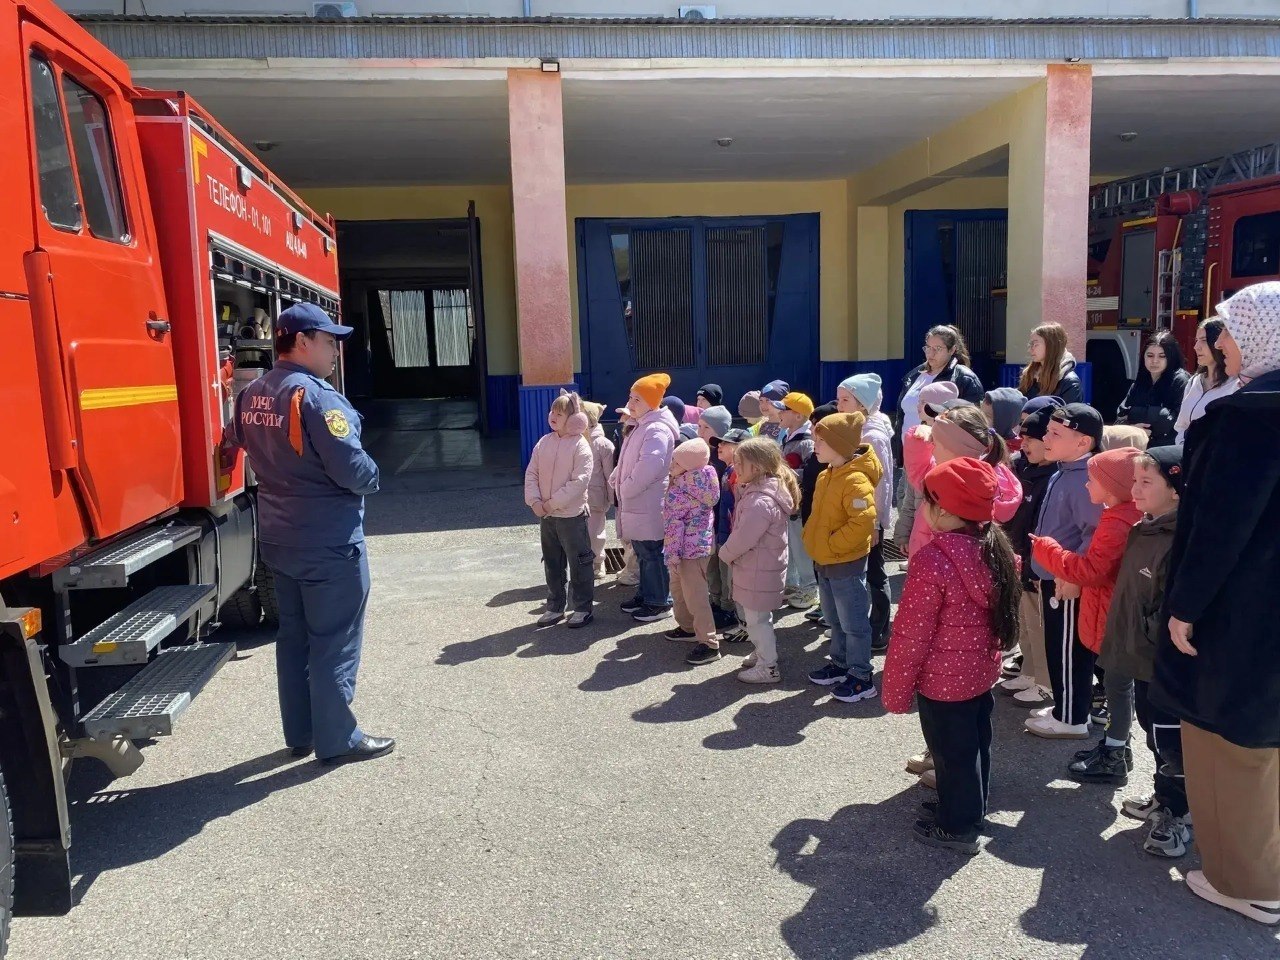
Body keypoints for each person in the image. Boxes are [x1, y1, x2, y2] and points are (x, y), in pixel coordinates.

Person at [1153, 282, 1280, 925]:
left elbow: (1220, 525)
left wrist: (1185, 604)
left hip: (1242, 607)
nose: (1217, 341)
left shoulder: (1252, 415)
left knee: (1235, 742)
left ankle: (1248, 882)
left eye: (1227, 328)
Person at [223, 302, 393, 765]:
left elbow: (236, 440)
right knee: (334, 640)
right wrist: (374, 474)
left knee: (294, 637)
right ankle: (338, 739)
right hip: (328, 541)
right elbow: (354, 471)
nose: (336, 351)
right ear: (301, 342)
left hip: (280, 539)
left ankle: (301, 733)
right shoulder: (317, 398)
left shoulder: (253, 393)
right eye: (329, 341)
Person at [882, 457, 1020, 857]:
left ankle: (957, 827)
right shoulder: (994, 547)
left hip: (942, 680)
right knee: (973, 744)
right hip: (978, 671)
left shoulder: (933, 561)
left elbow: (911, 634)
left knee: (949, 751)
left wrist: (895, 690)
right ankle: (968, 808)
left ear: (942, 510)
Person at [1096, 446, 1190, 859]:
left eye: (1146, 482)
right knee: (1152, 733)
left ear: (1176, 490)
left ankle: (1179, 814)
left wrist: (1147, 636)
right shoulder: (1145, 527)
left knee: (1171, 741)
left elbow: (1171, 606)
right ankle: (1162, 797)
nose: (1134, 490)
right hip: (1139, 655)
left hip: (1161, 663)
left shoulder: (1179, 540)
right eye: (1134, 480)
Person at [1030, 446, 1142, 739]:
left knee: (1111, 681)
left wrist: (1048, 549)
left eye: (1092, 480)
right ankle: (1094, 730)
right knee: (1113, 681)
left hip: (1107, 612)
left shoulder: (1117, 521)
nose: (1086, 485)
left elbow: (1092, 569)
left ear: (1112, 487)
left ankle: (1082, 725)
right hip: (1105, 609)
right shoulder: (1119, 515)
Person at [1026, 404, 1105, 739]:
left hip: (1068, 580)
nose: (1046, 437)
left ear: (1083, 442)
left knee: (1070, 651)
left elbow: (1093, 534)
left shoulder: (1086, 478)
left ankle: (1072, 717)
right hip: (1055, 575)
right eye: (1048, 431)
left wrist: (1073, 577)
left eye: (1056, 433)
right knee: (1058, 646)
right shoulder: (1065, 471)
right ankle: (1065, 706)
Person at [803, 412, 882, 704]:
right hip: (826, 559)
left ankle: (862, 676)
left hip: (844, 560)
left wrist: (833, 545)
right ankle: (840, 663)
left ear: (838, 445)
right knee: (834, 618)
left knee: (854, 622)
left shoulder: (855, 479)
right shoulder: (827, 474)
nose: (815, 445)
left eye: (821, 441)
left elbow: (863, 521)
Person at [719, 438, 799, 684]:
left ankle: (768, 665)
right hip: (759, 567)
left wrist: (725, 553)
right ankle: (762, 651)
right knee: (758, 618)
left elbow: (744, 538)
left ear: (756, 467)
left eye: (739, 463)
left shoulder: (760, 501)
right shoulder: (761, 491)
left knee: (757, 620)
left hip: (757, 568)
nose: (735, 468)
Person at [999, 398, 1061, 708]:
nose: (1023, 445)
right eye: (1021, 438)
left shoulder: (1053, 477)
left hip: (1039, 565)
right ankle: (1029, 671)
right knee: (1024, 621)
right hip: (1019, 558)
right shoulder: (1022, 468)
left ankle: (1045, 683)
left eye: (1030, 439)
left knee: (1040, 626)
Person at [902, 404, 1022, 559]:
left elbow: (917, 472)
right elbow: (918, 470)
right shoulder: (984, 477)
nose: (930, 447)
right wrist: (918, 438)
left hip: (937, 564)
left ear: (953, 448)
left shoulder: (950, 478)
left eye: (934, 443)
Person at [612, 373, 681, 623]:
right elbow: (627, 461)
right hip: (638, 502)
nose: (630, 403)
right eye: (630, 397)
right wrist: (617, 479)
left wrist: (625, 488)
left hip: (648, 502)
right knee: (642, 552)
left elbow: (648, 468)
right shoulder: (642, 424)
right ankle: (646, 594)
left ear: (652, 403)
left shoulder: (656, 429)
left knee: (652, 553)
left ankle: (659, 601)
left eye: (637, 399)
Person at [525, 390, 595, 627]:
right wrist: (534, 501)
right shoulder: (544, 442)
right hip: (547, 516)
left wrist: (551, 503)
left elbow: (579, 482)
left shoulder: (580, 446)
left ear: (575, 419)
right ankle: (555, 607)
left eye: (560, 413)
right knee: (552, 563)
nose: (553, 416)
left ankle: (582, 608)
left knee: (579, 563)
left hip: (571, 516)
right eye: (552, 412)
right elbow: (532, 473)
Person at [836, 374, 894, 651]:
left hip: (868, 517)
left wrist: (875, 522)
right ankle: (856, 625)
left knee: (874, 572)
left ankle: (880, 628)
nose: (839, 405)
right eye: (838, 399)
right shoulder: (853, 428)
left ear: (863, 404)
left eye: (845, 400)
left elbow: (881, 483)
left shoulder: (872, 436)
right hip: (852, 513)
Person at [662, 438, 721, 666]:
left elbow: (675, 526)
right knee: (682, 590)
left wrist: (672, 555)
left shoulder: (679, 490)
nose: (671, 465)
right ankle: (688, 627)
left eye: (676, 463)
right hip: (700, 546)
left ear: (688, 466)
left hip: (686, 551)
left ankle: (709, 643)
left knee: (695, 597)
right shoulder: (706, 479)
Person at [894, 324, 984, 463]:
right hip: (910, 457)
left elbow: (971, 421)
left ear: (952, 350)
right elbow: (902, 416)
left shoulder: (964, 378)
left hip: (939, 458)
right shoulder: (914, 375)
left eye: (938, 349)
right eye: (928, 347)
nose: (930, 354)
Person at [892, 380, 960, 555]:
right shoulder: (918, 438)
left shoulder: (948, 447)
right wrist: (904, 534)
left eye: (923, 402)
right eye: (919, 401)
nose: (918, 405)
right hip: (918, 532)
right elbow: (908, 499)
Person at [697, 405, 737, 632]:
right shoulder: (702, 455)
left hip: (724, 524)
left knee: (725, 568)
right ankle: (715, 600)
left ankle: (727, 607)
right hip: (709, 523)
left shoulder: (725, 462)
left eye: (706, 428)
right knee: (711, 566)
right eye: (699, 426)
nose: (700, 432)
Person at [777, 392, 818, 610]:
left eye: (784, 410)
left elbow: (811, 473)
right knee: (790, 544)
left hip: (800, 504)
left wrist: (786, 474)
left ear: (799, 416)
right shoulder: (787, 436)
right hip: (789, 502)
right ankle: (792, 583)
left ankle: (810, 587)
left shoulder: (807, 442)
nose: (779, 413)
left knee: (801, 547)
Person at [1116, 330, 1190, 448]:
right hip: (1140, 447)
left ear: (1171, 357)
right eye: (1150, 355)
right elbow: (1120, 417)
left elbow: (1180, 421)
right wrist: (1132, 429)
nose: (1155, 361)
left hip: (1169, 449)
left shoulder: (1181, 381)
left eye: (1162, 356)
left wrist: (1142, 414)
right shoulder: (1140, 382)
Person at [714, 428, 752, 643]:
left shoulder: (738, 473)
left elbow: (737, 509)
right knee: (729, 580)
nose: (720, 446)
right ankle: (739, 620)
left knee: (736, 582)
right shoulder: (729, 470)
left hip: (732, 536)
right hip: (725, 534)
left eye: (725, 443)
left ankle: (745, 625)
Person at [1174, 317, 1239, 444]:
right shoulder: (1194, 381)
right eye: (1196, 340)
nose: (1196, 347)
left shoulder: (1235, 385)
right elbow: (1181, 426)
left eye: (1203, 340)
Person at [582, 401, 615, 578]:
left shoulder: (603, 444)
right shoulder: (574, 439)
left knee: (595, 532)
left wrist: (611, 497)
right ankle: (583, 562)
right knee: (579, 532)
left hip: (596, 496)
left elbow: (610, 475)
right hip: (576, 496)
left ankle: (598, 562)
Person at [1018, 322, 1084, 404]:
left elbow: (1070, 411)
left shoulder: (1069, 382)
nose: (1030, 349)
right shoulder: (1029, 374)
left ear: (1051, 345)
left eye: (1035, 344)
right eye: (1030, 344)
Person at [981, 387, 1027, 452]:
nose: (981, 418)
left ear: (1003, 422)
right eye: (981, 413)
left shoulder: (1013, 450)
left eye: (987, 416)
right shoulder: (979, 438)